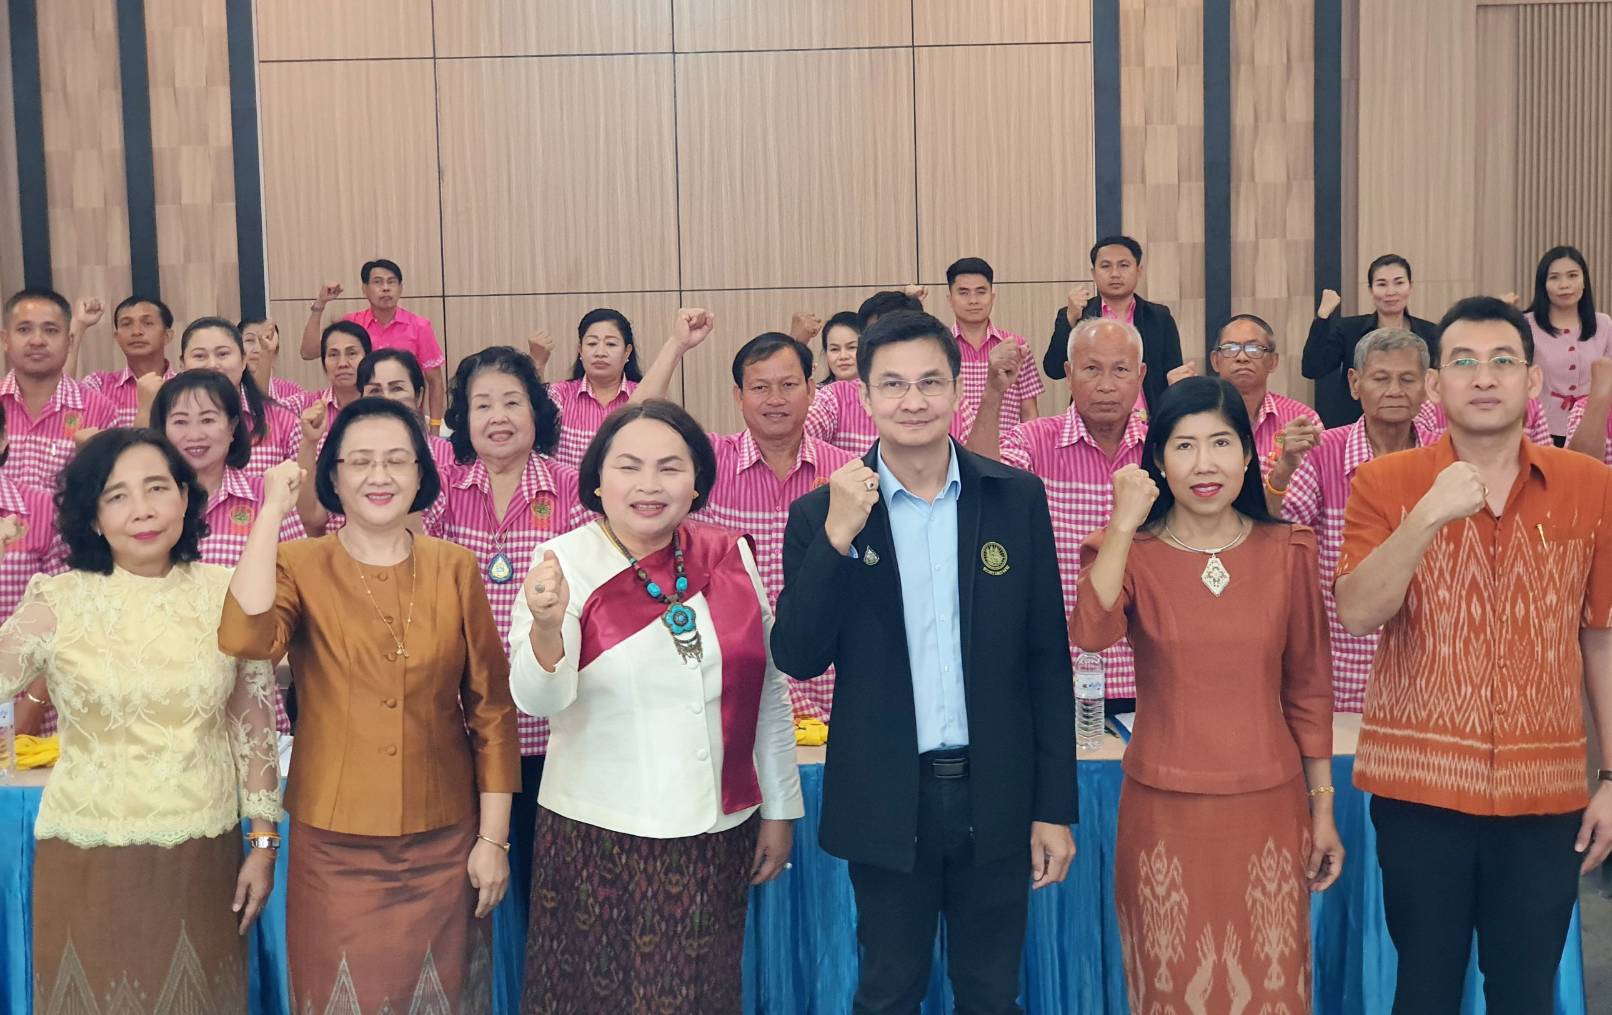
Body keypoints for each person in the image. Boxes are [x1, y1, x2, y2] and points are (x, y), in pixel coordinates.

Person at [771, 310, 1076, 1014]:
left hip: (996, 790)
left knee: (992, 993)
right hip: (886, 792)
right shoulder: (822, 513)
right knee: (888, 989)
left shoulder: (1014, 498)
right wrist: (838, 538)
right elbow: (798, 655)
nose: (913, 400)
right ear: (864, 396)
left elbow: (1045, 661)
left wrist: (1053, 808)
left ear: (958, 389)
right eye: (894, 384)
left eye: (930, 382)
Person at [1333, 296, 1612, 1012]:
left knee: (1526, 993)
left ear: (1532, 380)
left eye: (1502, 361)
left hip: (1544, 791)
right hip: (1419, 792)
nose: (1483, 378)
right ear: (1436, 385)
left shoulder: (1590, 486)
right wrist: (1427, 513)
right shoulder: (1384, 483)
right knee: (1424, 989)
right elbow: (1358, 612)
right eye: (1463, 362)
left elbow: (1600, 636)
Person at [220, 401, 519, 1013]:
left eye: (396, 461)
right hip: (335, 847)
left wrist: (494, 840)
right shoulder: (300, 564)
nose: (378, 476)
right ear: (332, 476)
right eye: (359, 462)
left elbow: (491, 711)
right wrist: (272, 512)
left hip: (446, 840)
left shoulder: (455, 568)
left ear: (420, 474)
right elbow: (246, 639)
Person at [507, 398, 802, 1013]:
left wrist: (779, 808)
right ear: (597, 479)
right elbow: (540, 700)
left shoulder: (728, 556)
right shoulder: (563, 563)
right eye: (629, 466)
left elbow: (767, 689)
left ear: (696, 482)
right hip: (598, 838)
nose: (650, 485)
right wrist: (545, 626)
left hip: (714, 831)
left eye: (670, 467)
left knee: (700, 995)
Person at [1071, 376, 1342, 1012]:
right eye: (1184, 446)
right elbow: (1091, 633)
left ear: (1248, 455)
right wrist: (1122, 522)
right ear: (1159, 461)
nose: (1204, 464)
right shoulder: (1127, 551)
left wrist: (1323, 807)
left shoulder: (1288, 550)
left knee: (1272, 988)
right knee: (1171, 988)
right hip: (1164, 811)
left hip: (1268, 807)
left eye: (1220, 443)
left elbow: (1308, 688)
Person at [1, 428, 281, 1013]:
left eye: (157, 488)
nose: (142, 510)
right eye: (117, 496)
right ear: (93, 517)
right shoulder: (58, 600)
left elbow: (254, 723)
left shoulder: (225, 593)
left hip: (202, 857)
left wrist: (263, 843)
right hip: (87, 855)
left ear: (185, 497)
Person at [428, 345, 591, 921]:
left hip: (557, 734)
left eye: (512, 402)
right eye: (482, 405)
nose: (497, 417)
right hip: (464, 731)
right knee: (466, 907)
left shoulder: (573, 490)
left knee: (553, 905)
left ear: (536, 412)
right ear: (464, 419)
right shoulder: (443, 492)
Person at [636, 314, 856, 719]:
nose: (775, 399)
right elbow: (637, 426)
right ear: (738, 396)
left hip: (828, 688)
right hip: (730, 686)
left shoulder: (847, 473)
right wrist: (676, 345)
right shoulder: (709, 463)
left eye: (788, 385)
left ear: (811, 390)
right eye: (760, 388)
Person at [969, 316, 1148, 699]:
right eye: (1091, 369)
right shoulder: (1033, 441)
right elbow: (982, 487)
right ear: (1068, 374)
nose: (1106, 385)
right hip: (1053, 674)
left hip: (1145, 679)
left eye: (1120, 370)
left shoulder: (1161, 451)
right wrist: (994, 394)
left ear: (1141, 375)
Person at [1268, 329, 1433, 712]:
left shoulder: (1446, 456)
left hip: (1429, 666)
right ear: (1355, 384)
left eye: (1407, 379)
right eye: (1381, 378)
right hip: (1343, 668)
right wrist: (1283, 470)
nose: (1395, 390)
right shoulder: (1322, 452)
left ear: (1427, 385)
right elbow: (1277, 532)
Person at [152, 369, 307, 733]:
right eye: (180, 421)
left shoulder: (268, 499)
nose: (195, 434)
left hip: (249, 695)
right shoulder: (148, 505)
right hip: (162, 698)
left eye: (208, 420)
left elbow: (300, 594)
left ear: (234, 426)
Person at [1044, 235, 1184, 412]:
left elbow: (1173, 373)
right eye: (1105, 266)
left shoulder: (1159, 317)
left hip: (1147, 420)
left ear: (1138, 271)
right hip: (1092, 418)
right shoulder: (1077, 314)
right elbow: (1054, 370)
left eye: (1123, 265)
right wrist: (1070, 319)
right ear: (1093, 273)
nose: (1115, 274)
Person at [301, 259, 446, 423]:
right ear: (365, 290)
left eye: (391, 282)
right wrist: (320, 304)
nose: (386, 288)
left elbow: (435, 382)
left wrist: (435, 428)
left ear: (401, 288)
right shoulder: (353, 323)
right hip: (363, 417)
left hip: (407, 420)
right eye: (378, 282)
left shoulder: (419, 326)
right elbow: (308, 352)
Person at [1301, 254, 1439, 426]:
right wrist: (1323, 317)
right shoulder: (1348, 330)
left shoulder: (1431, 333)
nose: (1391, 292)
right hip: (1354, 426)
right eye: (1381, 284)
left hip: (1415, 427)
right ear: (1371, 289)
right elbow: (1312, 369)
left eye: (1399, 283)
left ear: (1410, 286)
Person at [0, 289, 118, 488]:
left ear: (70, 341)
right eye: (24, 329)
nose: (37, 341)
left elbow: (112, 489)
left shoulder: (99, 410)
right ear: (5, 340)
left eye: (51, 330)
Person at [0, 398, 69, 738]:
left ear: (3, 439)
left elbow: (68, 614)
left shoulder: (41, 509)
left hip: (29, 713)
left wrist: (30, 705)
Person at [178, 316, 302, 478]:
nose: (212, 365)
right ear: (182, 365)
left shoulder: (284, 421)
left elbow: (305, 489)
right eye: (200, 356)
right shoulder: (168, 421)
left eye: (222, 354)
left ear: (243, 361)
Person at [530, 308, 642, 470]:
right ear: (580, 350)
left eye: (611, 344)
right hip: (567, 487)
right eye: (592, 343)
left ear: (627, 352)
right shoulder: (560, 394)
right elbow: (532, 424)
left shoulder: (643, 396)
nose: (600, 352)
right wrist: (537, 363)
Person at [946, 257, 1043, 438]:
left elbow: (1029, 412)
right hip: (953, 451)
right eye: (963, 293)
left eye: (981, 292)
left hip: (1005, 450)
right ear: (950, 299)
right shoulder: (939, 348)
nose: (973, 300)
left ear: (992, 297)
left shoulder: (1015, 345)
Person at [1525, 245, 1611, 442]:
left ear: (1584, 281)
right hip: (1542, 429)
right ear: (1543, 285)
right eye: (1554, 278)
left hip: (1591, 429)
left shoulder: (1604, 324)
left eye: (1572, 275)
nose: (1564, 285)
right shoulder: (1526, 324)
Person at [1209, 314, 1313, 476]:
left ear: (1272, 361)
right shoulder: (1199, 418)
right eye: (1230, 348)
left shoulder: (1302, 419)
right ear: (1215, 361)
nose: (1242, 358)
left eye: (1254, 349)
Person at [77, 295, 178, 425]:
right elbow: (61, 401)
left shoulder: (186, 384)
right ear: (117, 337)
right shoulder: (99, 385)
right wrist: (78, 324)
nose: (136, 332)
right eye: (126, 324)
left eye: (147, 323)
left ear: (167, 336)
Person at [359, 347, 457, 470]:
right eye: (375, 390)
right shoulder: (348, 457)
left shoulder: (451, 458)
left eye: (397, 388)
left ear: (419, 396)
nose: (386, 398)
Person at [242, 316, 308, 404]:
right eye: (250, 340)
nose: (257, 349)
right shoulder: (229, 393)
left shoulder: (294, 392)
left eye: (267, 341)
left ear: (275, 352)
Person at [818, 310, 862, 383]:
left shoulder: (879, 389)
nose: (843, 356)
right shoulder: (815, 390)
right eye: (834, 349)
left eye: (852, 347)